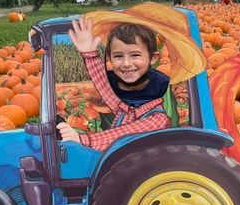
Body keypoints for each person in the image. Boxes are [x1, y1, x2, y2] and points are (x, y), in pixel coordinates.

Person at [56, 16, 171, 151]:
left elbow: (122, 136)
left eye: (135, 55)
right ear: (110, 58)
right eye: (118, 56)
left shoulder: (158, 119)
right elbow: (104, 86)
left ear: (153, 58)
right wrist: (89, 53)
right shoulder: (126, 107)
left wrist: (82, 139)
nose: (126, 63)